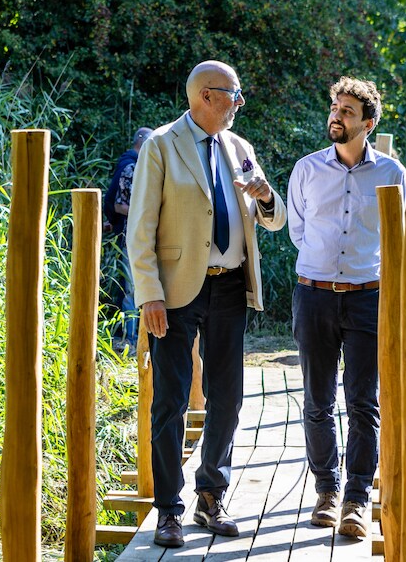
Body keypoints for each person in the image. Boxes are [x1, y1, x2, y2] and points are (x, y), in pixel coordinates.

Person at [127, 60, 286, 548]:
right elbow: (140, 230)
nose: (240, 103)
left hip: (230, 287)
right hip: (175, 292)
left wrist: (264, 198)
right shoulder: (161, 146)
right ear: (206, 96)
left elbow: (273, 220)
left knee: (229, 398)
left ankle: (210, 497)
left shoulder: (240, 148)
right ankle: (170, 510)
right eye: (234, 94)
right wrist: (149, 294)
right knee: (171, 401)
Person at [287, 76, 405, 538]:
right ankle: (327, 491)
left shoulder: (392, 174)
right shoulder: (306, 170)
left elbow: (399, 235)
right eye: (334, 107)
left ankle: (357, 498)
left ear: (368, 124)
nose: (336, 115)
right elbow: (299, 230)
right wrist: (323, 270)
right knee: (317, 401)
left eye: (347, 111)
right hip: (313, 295)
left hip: (367, 299)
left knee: (362, 402)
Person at [103, 126, 152, 353]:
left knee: (133, 288)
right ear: (142, 142)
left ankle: (136, 339)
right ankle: (132, 341)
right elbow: (119, 204)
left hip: (128, 234)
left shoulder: (128, 163)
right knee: (133, 290)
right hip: (130, 237)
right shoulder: (131, 166)